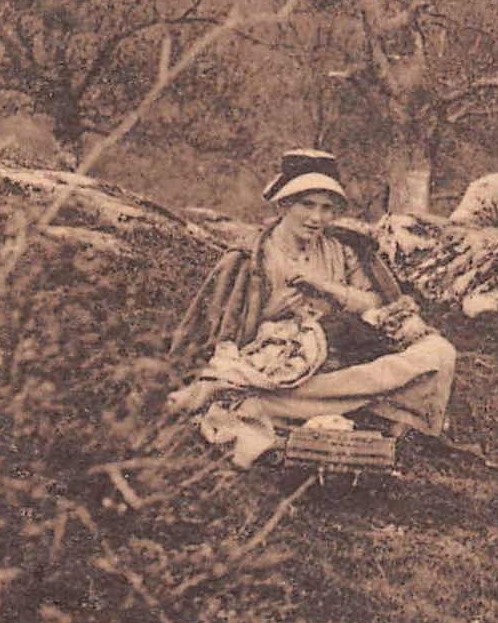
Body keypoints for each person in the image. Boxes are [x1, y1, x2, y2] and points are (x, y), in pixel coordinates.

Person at [168, 149, 456, 464]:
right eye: (307, 205)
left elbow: (377, 303)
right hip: (284, 371)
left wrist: (326, 288)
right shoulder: (253, 258)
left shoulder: (342, 250)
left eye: (327, 209)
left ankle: (339, 403)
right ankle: (353, 406)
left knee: (438, 352)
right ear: (284, 205)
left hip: (341, 358)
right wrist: (270, 314)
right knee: (236, 393)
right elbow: (226, 338)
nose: (316, 218)